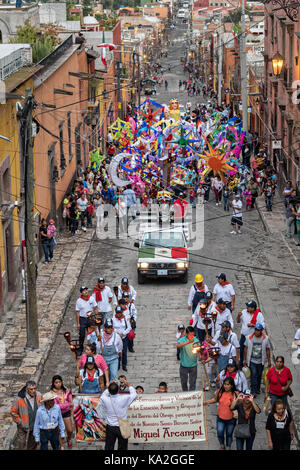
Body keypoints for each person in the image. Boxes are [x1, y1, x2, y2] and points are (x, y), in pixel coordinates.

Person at [99, 379, 137, 450]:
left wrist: (110, 386)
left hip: (110, 426)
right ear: (118, 390)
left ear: (109, 391)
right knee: (122, 447)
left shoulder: (105, 399)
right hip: (122, 426)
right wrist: (129, 385)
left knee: (109, 447)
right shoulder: (124, 398)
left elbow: (103, 394)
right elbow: (134, 395)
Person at [204, 377, 237, 450]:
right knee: (220, 433)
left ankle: (228, 446)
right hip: (220, 418)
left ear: (231, 385)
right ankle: (222, 445)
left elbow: (241, 403)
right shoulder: (220, 392)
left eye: (228, 384)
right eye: (225, 384)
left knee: (229, 434)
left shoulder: (235, 394)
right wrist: (207, 402)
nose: (226, 386)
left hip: (231, 419)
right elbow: (215, 399)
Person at [11, 380, 42, 450]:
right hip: (23, 426)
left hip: (35, 425)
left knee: (32, 444)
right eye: (31, 389)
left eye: (35, 388)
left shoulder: (39, 395)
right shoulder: (19, 398)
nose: (33, 391)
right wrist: (20, 422)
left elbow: (42, 407)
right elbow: (13, 412)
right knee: (22, 444)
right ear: (26, 389)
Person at [243, 323, 271, 396]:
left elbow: (268, 349)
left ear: (261, 330)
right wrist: (244, 360)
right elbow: (245, 349)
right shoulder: (249, 338)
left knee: (259, 375)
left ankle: (258, 389)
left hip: (261, 361)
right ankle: (253, 390)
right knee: (254, 374)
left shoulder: (266, 338)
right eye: (256, 330)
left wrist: (269, 360)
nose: (257, 332)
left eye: (258, 330)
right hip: (252, 360)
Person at [236, 300, 265, 366]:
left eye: (248, 307)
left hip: (253, 337)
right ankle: (242, 363)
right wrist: (238, 316)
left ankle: (250, 364)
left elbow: (263, 326)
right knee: (242, 350)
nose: (247, 308)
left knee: (251, 351)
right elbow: (238, 321)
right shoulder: (244, 312)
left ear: (253, 308)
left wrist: (253, 325)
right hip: (244, 336)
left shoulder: (259, 315)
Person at [50, 375, 73, 449]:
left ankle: (69, 438)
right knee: (59, 430)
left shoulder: (66, 391)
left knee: (70, 430)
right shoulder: (51, 393)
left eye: (59, 382)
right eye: (56, 382)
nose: (58, 384)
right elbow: (56, 406)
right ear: (53, 383)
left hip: (66, 413)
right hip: (57, 414)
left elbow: (70, 401)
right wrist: (67, 404)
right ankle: (61, 445)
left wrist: (69, 405)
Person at [176, 326, 201, 392]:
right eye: (190, 334)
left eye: (193, 334)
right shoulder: (182, 339)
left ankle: (191, 395)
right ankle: (185, 394)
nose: (192, 336)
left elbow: (199, 350)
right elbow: (178, 345)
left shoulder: (196, 340)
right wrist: (188, 342)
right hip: (184, 365)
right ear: (186, 334)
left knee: (192, 382)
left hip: (193, 365)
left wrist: (201, 356)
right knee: (183, 382)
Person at [75, 286, 98, 355]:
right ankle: (80, 349)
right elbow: (77, 312)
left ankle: (93, 349)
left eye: (86, 290)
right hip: (82, 319)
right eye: (84, 291)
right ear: (81, 293)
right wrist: (78, 323)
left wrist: (96, 318)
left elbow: (95, 308)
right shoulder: (79, 301)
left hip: (90, 318)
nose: (85, 291)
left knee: (93, 334)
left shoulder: (91, 299)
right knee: (82, 335)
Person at [112, 306, 132, 372]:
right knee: (117, 351)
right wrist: (117, 333)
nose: (118, 314)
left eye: (120, 312)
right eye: (117, 313)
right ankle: (117, 365)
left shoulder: (125, 318)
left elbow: (129, 328)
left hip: (124, 337)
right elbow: (112, 328)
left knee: (124, 352)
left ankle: (124, 365)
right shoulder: (113, 319)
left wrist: (123, 333)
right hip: (116, 338)